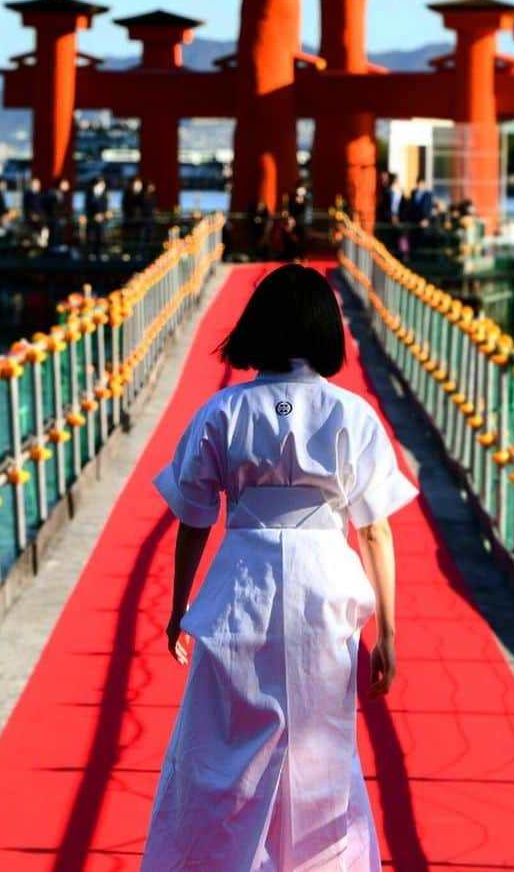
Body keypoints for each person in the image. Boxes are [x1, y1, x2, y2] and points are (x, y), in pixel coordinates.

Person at [144, 265, 418, 870]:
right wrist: (389, 633)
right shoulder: (353, 414)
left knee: (223, 750)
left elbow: (194, 518)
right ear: (325, 331)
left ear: (258, 327)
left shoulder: (223, 412)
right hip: (324, 590)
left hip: (242, 582)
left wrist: (179, 608)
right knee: (321, 751)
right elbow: (374, 528)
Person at [84, 176, 109, 257]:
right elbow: (87, 207)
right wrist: (93, 215)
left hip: (102, 219)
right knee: (91, 237)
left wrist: (103, 215)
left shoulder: (105, 194)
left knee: (101, 237)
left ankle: (101, 253)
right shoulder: (89, 193)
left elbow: (106, 207)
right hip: (92, 219)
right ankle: (90, 254)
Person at [121, 176, 144, 251]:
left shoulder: (143, 195)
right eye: (136, 183)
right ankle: (127, 252)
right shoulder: (127, 194)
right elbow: (125, 207)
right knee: (128, 239)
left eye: (139, 184)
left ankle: (138, 252)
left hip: (139, 222)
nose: (138, 186)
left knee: (139, 239)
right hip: (129, 220)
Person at [22, 176, 46, 245]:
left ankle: (41, 242)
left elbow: (43, 208)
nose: (35, 186)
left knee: (43, 227)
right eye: (34, 184)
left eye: (37, 184)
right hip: (30, 217)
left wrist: (39, 216)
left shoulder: (41, 195)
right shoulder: (27, 195)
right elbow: (26, 208)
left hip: (40, 217)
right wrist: (31, 215)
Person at [140, 180, 158, 251]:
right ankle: (142, 252)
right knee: (143, 238)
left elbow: (154, 208)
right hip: (144, 220)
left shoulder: (153, 197)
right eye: (151, 186)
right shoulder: (143, 196)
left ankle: (148, 252)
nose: (153, 188)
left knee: (150, 238)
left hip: (150, 220)